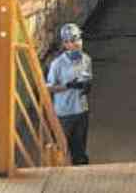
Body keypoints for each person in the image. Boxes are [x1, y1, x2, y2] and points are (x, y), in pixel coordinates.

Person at [47, 23, 92, 165]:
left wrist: (86, 86)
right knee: (60, 150)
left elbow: (87, 77)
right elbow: (48, 88)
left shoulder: (86, 59)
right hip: (64, 114)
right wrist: (67, 86)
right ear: (65, 43)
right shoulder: (57, 64)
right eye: (73, 40)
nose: (78, 43)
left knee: (80, 152)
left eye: (78, 38)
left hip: (81, 110)